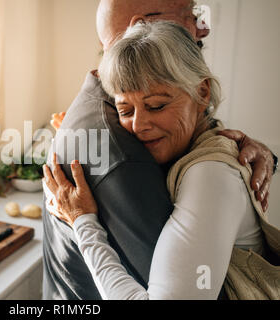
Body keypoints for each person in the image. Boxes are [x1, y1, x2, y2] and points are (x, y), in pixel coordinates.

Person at [42, 0, 277, 300]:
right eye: (125, 110)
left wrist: (83, 223)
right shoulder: (175, 140)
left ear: (201, 92)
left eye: (156, 106)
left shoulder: (210, 175)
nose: (139, 126)